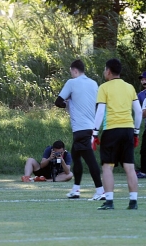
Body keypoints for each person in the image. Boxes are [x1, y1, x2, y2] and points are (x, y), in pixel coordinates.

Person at [93, 59, 142, 210]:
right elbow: (139, 111)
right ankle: (133, 202)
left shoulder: (104, 87)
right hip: (128, 129)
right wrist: (136, 132)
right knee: (129, 167)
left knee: (107, 167)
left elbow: (100, 111)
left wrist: (94, 132)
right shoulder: (130, 87)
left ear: (108, 71)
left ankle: (109, 201)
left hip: (111, 130)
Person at [54, 59, 105, 200]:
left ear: (75, 70)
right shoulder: (93, 83)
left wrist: (67, 103)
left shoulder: (72, 83)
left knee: (91, 161)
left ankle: (100, 191)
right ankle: (76, 190)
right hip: (90, 127)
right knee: (76, 157)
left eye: (71, 72)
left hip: (80, 129)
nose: (71, 75)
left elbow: (58, 102)